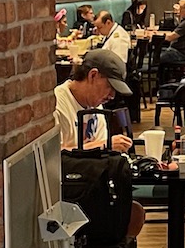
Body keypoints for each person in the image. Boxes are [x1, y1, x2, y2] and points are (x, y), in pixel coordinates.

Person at [55, 49, 145, 234]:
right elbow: (56, 156)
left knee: (133, 213)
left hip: (94, 189)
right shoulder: (58, 103)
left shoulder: (97, 106)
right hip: (69, 194)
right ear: (93, 75)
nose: (112, 96)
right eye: (110, 87)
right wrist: (105, 146)